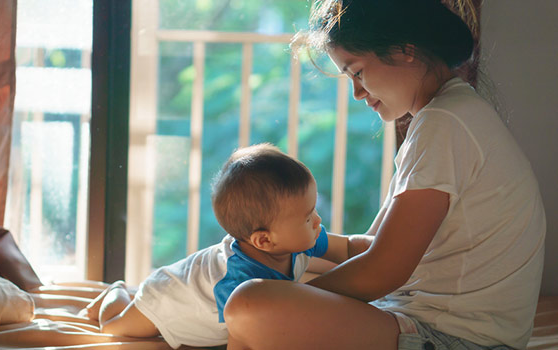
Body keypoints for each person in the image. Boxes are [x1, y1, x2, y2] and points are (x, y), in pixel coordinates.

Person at [223, 1, 546, 350]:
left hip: (454, 338)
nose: (357, 93)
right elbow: (373, 247)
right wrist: (297, 254)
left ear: (405, 50)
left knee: (249, 304)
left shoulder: (445, 122)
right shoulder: (447, 115)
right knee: (289, 269)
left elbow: (384, 270)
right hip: (425, 321)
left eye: (357, 72)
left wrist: (289, 298)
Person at [83, 143, 369, 349]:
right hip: (167, 296)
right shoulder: (240, 282)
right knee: (113, 327)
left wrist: (390, 249)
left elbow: (348, 248)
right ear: (264, 240)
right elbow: (242, 334)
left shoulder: (299, 237)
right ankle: (117, 291)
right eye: (308, 217)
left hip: (190, 279)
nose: (318, 221)